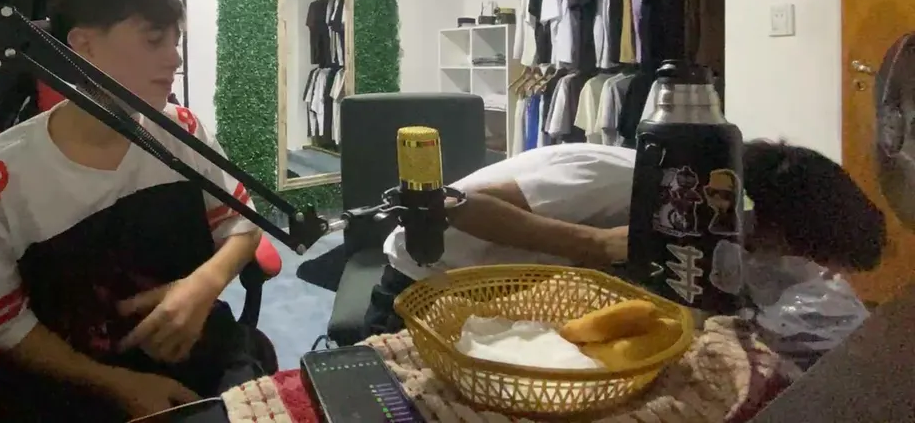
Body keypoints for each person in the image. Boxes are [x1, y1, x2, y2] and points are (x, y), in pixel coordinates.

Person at [0, 0, 265, 421]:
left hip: (201, 352)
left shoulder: (183, 131)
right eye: (154, 40)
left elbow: (242, 222)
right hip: (77, 383)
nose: (176, 58)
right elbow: (5, 323)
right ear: (85, 46)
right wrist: (119, 385)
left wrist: (203, 284)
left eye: (176, 41)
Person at [365, 141, 886, 335]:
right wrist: (596, 245)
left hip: (499, 296)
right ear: (770, 223)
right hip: (419, 288)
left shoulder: (707, 215)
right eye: (798, 251)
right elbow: (452, 205)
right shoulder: (626, 179)